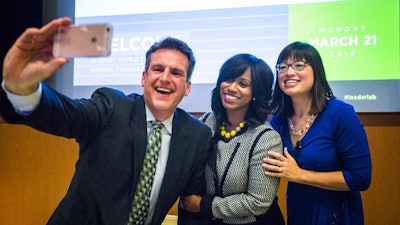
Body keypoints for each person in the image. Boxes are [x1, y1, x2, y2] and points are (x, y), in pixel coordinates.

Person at [0, 17, 212, 225]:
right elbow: (66, 114)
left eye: (176, 73)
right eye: (158, 69)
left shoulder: (197, 135)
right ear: (143, 78)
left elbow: (189, 204)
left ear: (188, 87)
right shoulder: (111, 106)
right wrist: (23, 90)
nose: (165, 78)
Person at [262, 41, 372, 225]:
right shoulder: (279, 117)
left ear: (317, 71)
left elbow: (360, 178)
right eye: (283, 67)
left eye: (299, 65)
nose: (289, 72)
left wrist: (300, 175)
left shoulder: (341, 113)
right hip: (298, 213)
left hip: (337, 216)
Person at [180, 53, 285, 225]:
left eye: (243, 84)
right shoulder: (207, 121)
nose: (231, 87)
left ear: (256, 93)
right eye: (228, 79)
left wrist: (205, 206)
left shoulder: (267, 139)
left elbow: (259, 202)